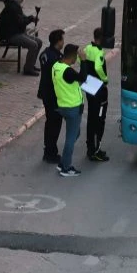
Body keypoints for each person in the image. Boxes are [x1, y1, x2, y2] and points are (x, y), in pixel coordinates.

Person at [52, 43, 89, 177]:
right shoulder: (68, 71)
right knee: (70, 138)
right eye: (76, 58)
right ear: (72, 57)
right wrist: (83, 60)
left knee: (76, 133)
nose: (76, 61)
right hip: (72, 107)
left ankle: (63, 162)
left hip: (63, 105)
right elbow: (83, 78)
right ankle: (66, 167)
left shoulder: (57, 66)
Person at [0, 0, 41, 76]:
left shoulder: (14, 6)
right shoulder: (13, 8)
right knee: (34, 45)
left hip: (15, 32)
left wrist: (30, 18)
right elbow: (21, 23)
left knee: (39, 42)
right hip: (10, 35)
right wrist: (30, 19)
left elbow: (21, 19)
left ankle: (30, 65)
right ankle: (28, 69)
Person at [82, 28, 111, 163]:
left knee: (92, 118)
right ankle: (95, 150)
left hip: (89, 84)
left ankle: (91, 146)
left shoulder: (88, 48)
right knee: (99, 119)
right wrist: (105, 79)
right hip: (98, 87)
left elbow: (79, 57)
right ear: (102, 38)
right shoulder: (99, 52)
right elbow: (99, 68)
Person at [37, 28, 66, 164]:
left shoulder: (45, 54)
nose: (63, 42)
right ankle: (51, 152)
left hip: (45, 92)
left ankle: (48, 150)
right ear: (58, 41)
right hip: (54, 95)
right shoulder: (57, 59)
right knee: (55, 124)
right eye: (62, 39)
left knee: (50, 123)